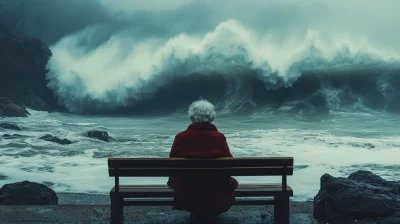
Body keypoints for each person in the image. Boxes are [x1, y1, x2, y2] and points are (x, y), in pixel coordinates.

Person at [167, 99, 238, 219]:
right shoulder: (219, 137)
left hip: (187, 189)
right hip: (215, 188)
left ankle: (196, 210)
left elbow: (172, 162)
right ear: (211, 117)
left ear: (192, 116)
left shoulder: (181, 137)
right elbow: (228, 164)